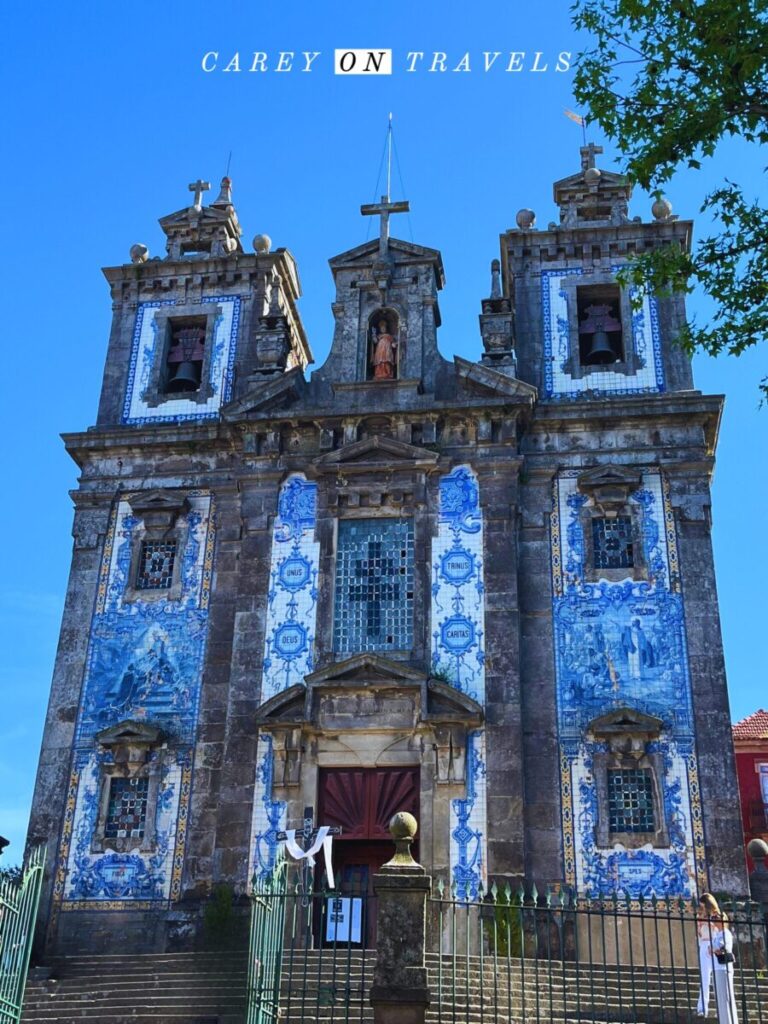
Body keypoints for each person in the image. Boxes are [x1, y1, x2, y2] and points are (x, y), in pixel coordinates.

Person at [711, 913, 739, 1024]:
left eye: (716, 917)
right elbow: (713, 949)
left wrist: (713, 949)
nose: (713, 919)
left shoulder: (725, 933)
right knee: (721, 1000)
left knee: (726, 998)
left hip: (723, 968)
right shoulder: (717, 934)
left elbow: (721, 949)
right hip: (717, 967)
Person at [696, 892, 720, 1016]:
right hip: (704, 945)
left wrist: (708, 922)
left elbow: (719, 929)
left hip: (715, 945)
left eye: (703, 905)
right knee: (705, 978)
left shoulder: (716, 915)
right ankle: (702, 1008)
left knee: (718, 978)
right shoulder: (700, 915)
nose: (702, 907)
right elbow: (699, 934)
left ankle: (720, 1008)